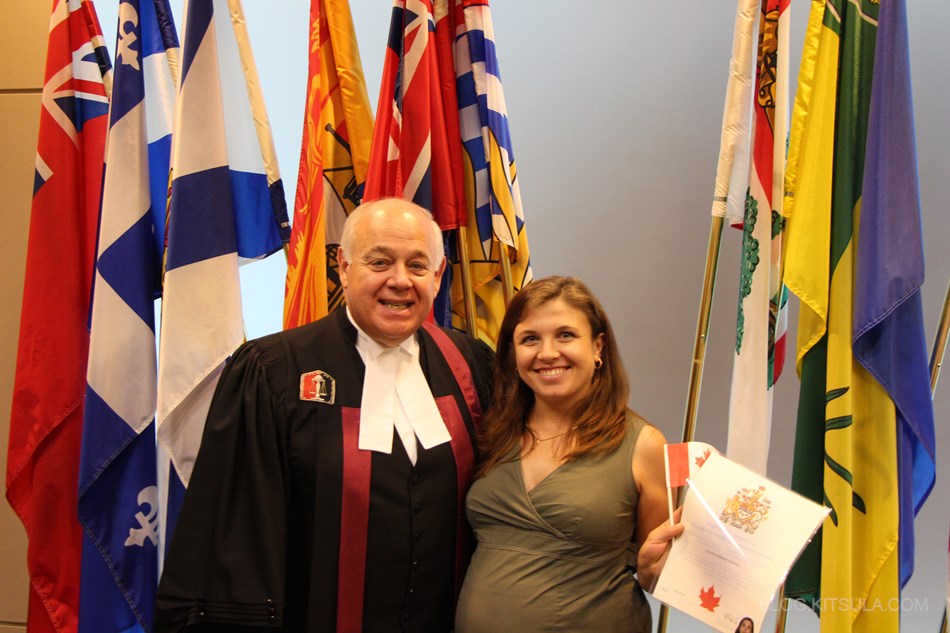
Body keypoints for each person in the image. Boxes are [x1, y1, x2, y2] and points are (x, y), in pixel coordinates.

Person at [155, 198, 494, 633]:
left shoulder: (470, 365)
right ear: (344, 267)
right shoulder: (274, 371)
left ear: (438, 275)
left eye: (417, 265)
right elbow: (236, 539)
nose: (399, 281)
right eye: (379, 262)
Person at [455, 276, 675, 633]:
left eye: (565, 335)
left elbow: (658, 574)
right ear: (513, 354)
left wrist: (655, 570)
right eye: (530, 339)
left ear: (598, 346)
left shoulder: (644, 445)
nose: (547, 353)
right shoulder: (492, 432)